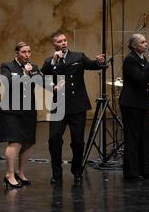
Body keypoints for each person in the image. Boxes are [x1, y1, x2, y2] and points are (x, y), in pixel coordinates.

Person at [41, 32, 105, 184]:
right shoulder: (50, 61)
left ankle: (77, 170)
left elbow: (93, 65)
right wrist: (54, 63)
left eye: (64, 40)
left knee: (78, 142)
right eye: (59, 41)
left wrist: (99, 62)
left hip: (77, 105)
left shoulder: (78, 56)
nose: (63, 43)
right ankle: (57, 173)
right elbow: (42, 77)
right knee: (53, 139)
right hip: (59, 105)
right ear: (54, 44)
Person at [0, 42, 42, 188]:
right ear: (16, 53)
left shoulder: (34, 68)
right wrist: (24, 74)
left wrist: (54, 87)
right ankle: (9, 174)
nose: (27, 55)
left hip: (28, 110)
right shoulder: (7, 66)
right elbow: (7, 82)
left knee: (28, 142)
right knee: (15, 141)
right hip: (11, 111)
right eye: (23, 52)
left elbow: (42, 81)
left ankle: (20, 172)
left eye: (29, 52)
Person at [119, 34, 149, 180]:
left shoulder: (142, 59)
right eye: (142, 42)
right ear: (134, 45)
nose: (146, 44)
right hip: (130, 104)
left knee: (145, 137)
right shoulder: (130, 59)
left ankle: (146, 171)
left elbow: (145, 86)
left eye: (146, 41)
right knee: (132, 138)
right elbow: (139, 79)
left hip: (141, 103)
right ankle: (132, 173)